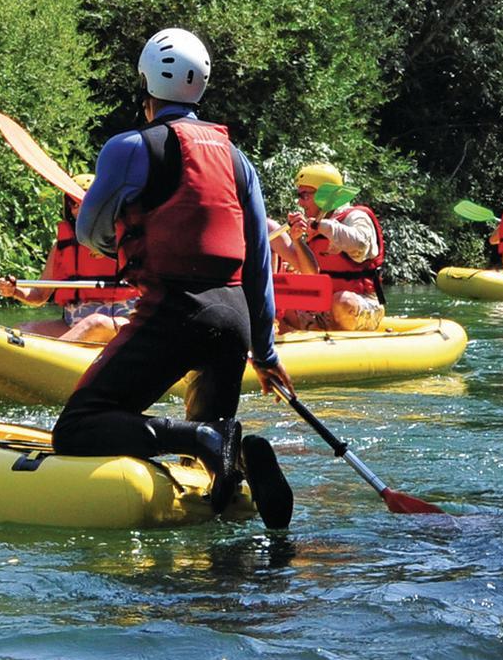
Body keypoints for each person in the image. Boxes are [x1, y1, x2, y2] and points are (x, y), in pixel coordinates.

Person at [50, 27, 296, 528]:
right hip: (234, 321)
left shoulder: (128, 148)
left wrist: (126, 244)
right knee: (207, 467)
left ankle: (205, 437)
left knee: (76, 428)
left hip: (173, 313)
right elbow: (257, 263)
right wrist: (265, 353)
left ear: (146, 84)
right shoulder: (237, 159)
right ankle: (233, 454)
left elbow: (90, 232)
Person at [0, 173, 137, 344]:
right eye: (73, 203)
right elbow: (39, 295)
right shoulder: (61, 247)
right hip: (73, 323)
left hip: (122, 322)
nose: (77, 208)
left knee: (96, 323)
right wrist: (14, 291)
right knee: (24, 329)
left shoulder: (125, 240)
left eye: (82, 202)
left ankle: (51, 356)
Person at [280, 162, 386, 331]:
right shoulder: (315, 224)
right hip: (323, 307)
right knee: (280, 302)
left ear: (325, 195)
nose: (300, 202)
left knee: (342, 302)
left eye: (304, 195)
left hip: (362, 302)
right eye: (299, 195)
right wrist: (297, 240)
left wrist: (322, 226)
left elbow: (359, 245)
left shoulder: (356, 217)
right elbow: (311, 273)